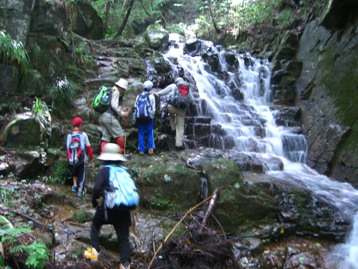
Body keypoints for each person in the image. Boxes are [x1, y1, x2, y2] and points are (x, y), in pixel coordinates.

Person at [90, 143, 132, 269]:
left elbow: (97, 188)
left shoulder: (104, 170)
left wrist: (94, 201)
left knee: (95, 224)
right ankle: (125, 265)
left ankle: (95, 253)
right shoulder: (125, 171)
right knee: (124, 238)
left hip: (109, 208)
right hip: (124, 209)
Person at [156, 77, 194, 150]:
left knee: (171, 115)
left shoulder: (172, 86)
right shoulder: (186, 89)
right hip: (182, 110)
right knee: (180, 127)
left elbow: (162, 93)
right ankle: (179, 144)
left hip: (171, 107)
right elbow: (192, 99)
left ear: (176, 82)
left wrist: (155, 93)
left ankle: (173, 128)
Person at [98, 78, 130, 154]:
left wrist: (121, 109)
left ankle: (103, 154)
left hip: (102, 116)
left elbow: (111, 105)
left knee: (105, 137)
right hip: (109, 117)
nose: (124, 91)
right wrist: (123, 114)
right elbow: (114, 106)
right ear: (121, 87)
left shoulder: (110, 90)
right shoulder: (116, 91)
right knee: (120, 134)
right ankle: (120, 153)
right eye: (124, 89)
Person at [66, 116, 94, 197]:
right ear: (80, 125)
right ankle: (80, 189)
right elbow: (88, 147)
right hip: (81, 159)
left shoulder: (69, 135)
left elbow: (67, 148)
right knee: (81, 174)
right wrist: (91, 157)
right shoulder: (83, 135)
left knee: (74, 171)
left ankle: (74, 186)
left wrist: (69, 158)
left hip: (72, 159)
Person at [134, 80, 156, 155]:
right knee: (150, 132)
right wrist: (152, 117)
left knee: (141, 133)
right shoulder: (151, 96)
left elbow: (135, 106)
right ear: (150, 88)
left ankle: (141, 150)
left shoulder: (138, 96)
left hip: (139, 117)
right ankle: (150, 149)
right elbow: (153, 108)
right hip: (148, 118)